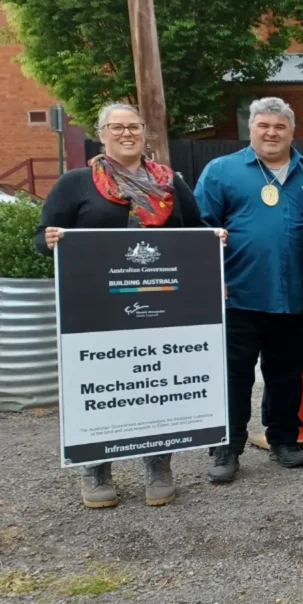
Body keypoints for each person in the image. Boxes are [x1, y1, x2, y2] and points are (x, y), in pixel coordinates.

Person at [35, 103, 218, 508]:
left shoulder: (171, 183)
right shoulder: (77, 183)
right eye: (116, 127)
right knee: (105, 384)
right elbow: (41, 236)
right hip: (96, 307)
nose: (126, 133)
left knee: (155, 382)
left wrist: (212, 244)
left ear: (144, 133)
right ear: (101, 134)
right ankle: (97, 469)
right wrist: (48, 241)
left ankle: (158, 465)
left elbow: (194, 233)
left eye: (133, 126)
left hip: (160, 305)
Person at [194, 97, 303, 484]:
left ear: (292, 130)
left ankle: (283, 439)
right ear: (251, 129)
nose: (271, 133)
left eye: (280, 126)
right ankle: (227, 447)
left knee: (287, 373)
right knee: (234, 374)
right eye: (263, 125)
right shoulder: (222, 171)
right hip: (238, 295)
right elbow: (199, 231)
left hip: (295, 296)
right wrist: (212, 281)